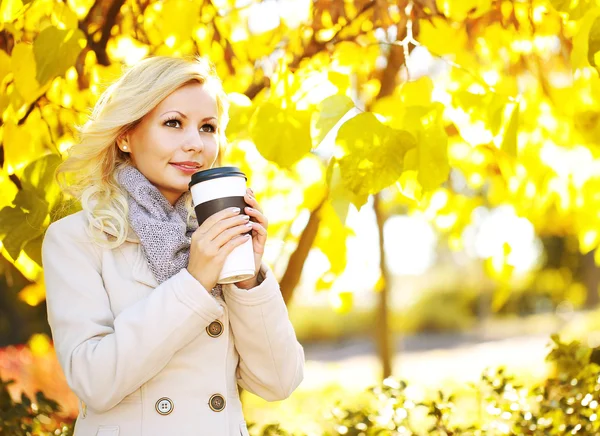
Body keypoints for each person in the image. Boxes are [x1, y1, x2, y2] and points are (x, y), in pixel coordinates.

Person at [42, 56, 305, 436]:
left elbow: (278, 383)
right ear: (125, 135)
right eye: (173, 123)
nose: (195, 144)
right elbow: (95, 381)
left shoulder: (219, 238)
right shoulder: (78, 238)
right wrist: (194, 282)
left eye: (208, 127)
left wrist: (248, 277)